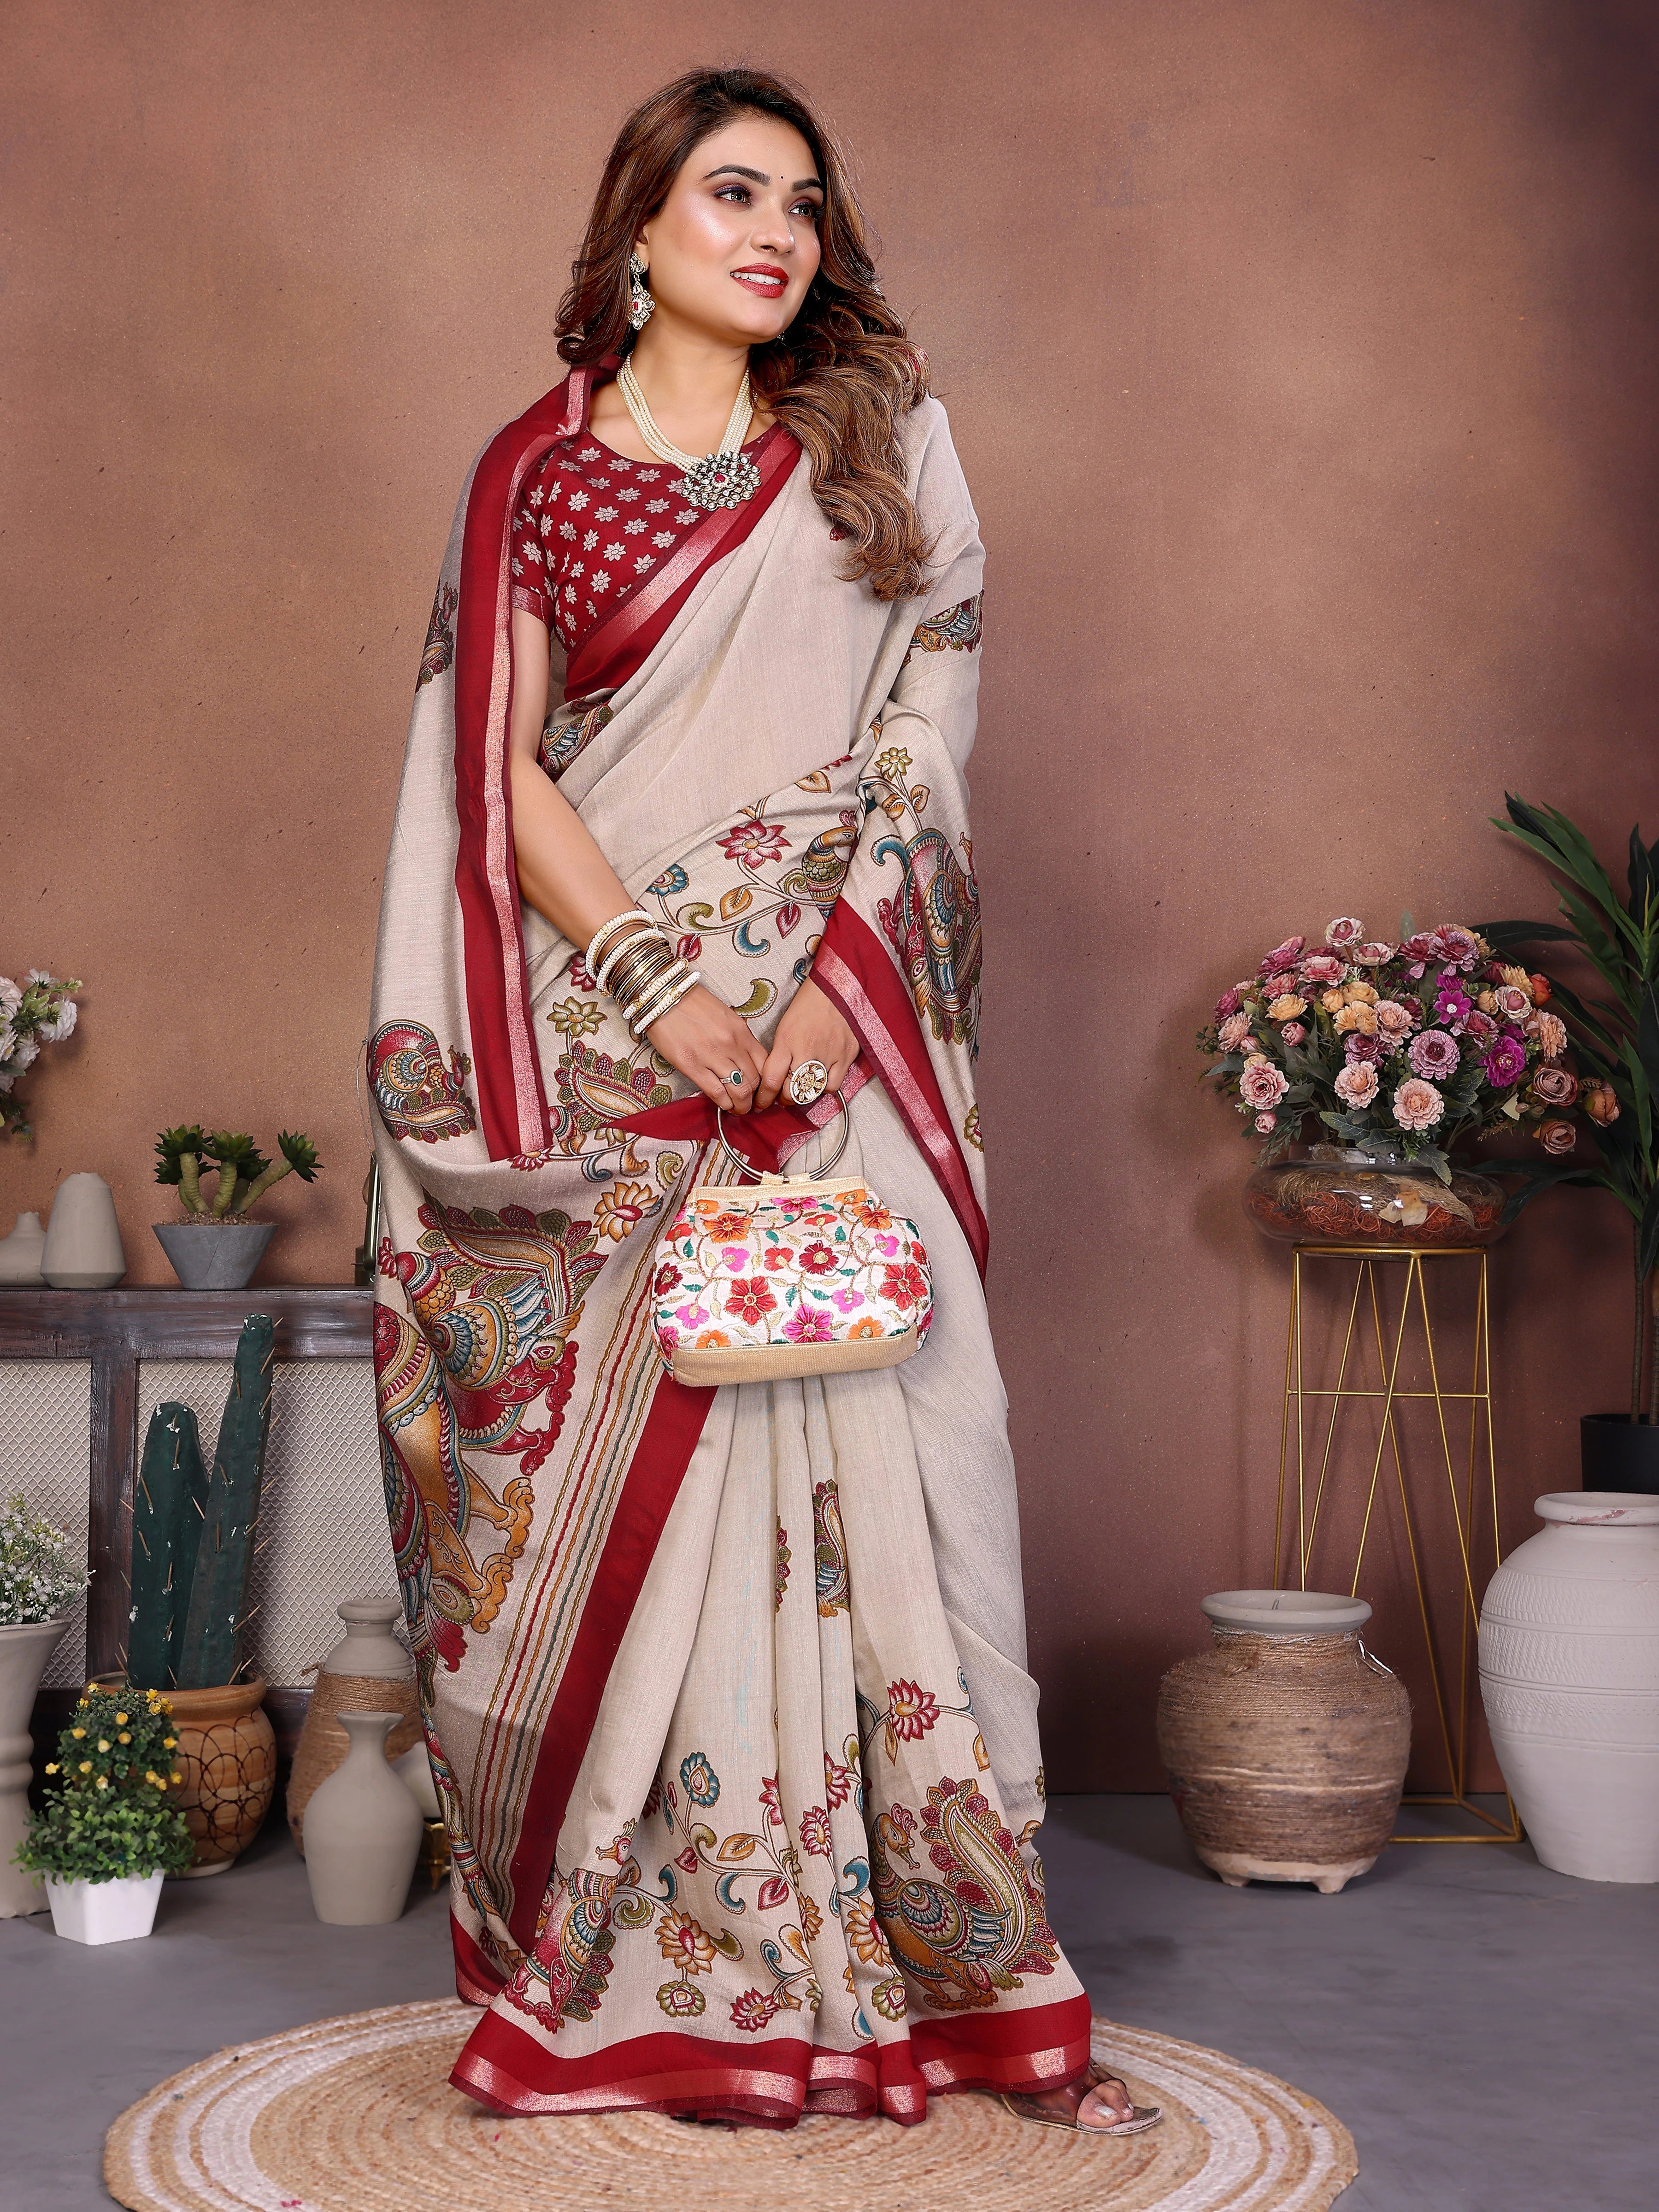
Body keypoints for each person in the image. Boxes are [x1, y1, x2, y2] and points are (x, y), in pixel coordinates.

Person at [367, 63, 1159, 2138]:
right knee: (639, 1477)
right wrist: (653, 976)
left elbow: (928, 722)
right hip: (623, 1037)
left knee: (899, 1439)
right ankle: (653, 1958)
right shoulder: (532, 478)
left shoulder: (882, 451)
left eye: (803, 201)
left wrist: (832, 980)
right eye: (731, 193)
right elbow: (502, 771)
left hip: (842, 1033)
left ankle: (930, 1952)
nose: (776, 230)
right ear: (638, 227)